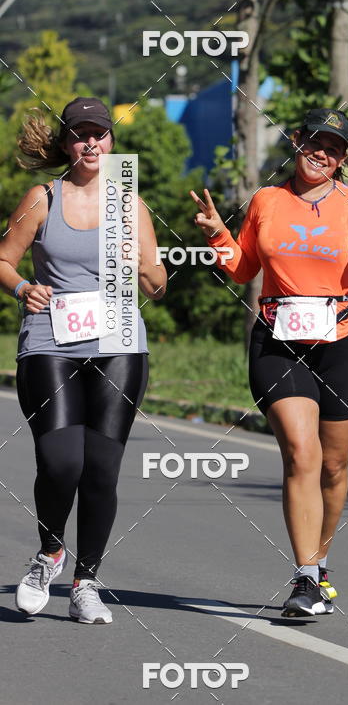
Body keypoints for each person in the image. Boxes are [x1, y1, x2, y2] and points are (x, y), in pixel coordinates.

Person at [190, 108, 348, 617]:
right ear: (298, 141)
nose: (321, 153)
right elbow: (243, 269)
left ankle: (320, 562)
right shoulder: (266, 200)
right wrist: (219, 233)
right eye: (314, 141)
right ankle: (305, 578)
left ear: (343, 159)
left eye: (333, 147)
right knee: (301, 454)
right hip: (279, 343)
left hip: (344, 341)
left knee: (332, 464)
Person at [0, 97, 167, 624]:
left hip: (118, 343)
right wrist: (23, 286)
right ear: (67, 143)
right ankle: (50, 551)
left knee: (100, 469)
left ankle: (85, 582)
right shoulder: (42, 199)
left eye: (99, 133)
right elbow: (3, 260)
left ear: (111, 142)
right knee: (61, 461)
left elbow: (157, 285)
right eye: (80, 134)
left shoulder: (130, 205)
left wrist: (146, 268)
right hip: (51, 341)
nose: (91, 143)